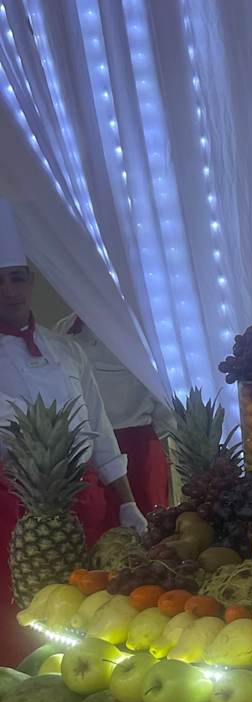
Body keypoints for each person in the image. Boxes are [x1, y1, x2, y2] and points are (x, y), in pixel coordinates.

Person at [0, 203, 145, 661]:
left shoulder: (66, 349)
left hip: (85, 499)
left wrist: (127, 502)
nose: (8, 290)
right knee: (20, 615)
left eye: (17, 278)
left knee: (88, 608)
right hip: (12, 508)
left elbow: (99, 428)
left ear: (31, 281)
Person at [55, 312, 172, 522]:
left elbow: (164, 397)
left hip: (135, 446)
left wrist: (153, 436)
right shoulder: (62, 329)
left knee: (148, 525)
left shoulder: (135, 330)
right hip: (83, 451)